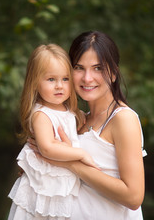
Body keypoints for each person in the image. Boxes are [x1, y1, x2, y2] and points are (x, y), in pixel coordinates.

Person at [29, 31, 147, 220]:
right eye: (79, 68)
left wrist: (71, 163)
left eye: (98, 68)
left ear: (114, 73)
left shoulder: (122, 119)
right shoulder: (77, 120)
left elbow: (133, 197)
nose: (87, 78)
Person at [7, 44, 99, 220]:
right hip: (41, 190)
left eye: (65, 79)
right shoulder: (41, 114)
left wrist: (77, 116)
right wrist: (80, 154)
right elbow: (47, 148)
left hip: (58, 189)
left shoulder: (68, 111)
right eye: (51, 80)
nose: (59, 86)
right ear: (35, 82)